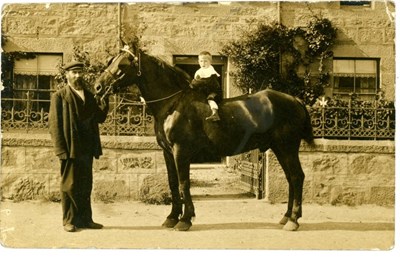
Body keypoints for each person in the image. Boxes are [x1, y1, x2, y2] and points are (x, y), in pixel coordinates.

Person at [49, 60, 109, 232]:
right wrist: (60, 149)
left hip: (87, 147)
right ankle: (69, 220)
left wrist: (105, 101)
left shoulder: (89, 96)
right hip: (70, 147)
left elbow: (99, 118)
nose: (77, 76)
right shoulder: (59, 96)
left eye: (80, 72)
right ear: (66, 75)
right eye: (74, 73)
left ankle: (85, 219)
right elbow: (55, 125)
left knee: (85, 184)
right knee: (69, 185)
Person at [190, 51, 221, 121]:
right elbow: (196, 81)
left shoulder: (211, 71)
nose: (203, 63)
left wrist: (196, 83)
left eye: (205, 61)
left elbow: (208, 82)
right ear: (198, 62)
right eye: (201, 61)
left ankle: (215, 113)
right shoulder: (199, 71)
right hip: (203, 92)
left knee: (210, 99)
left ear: (210, 62)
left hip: (213, 92)